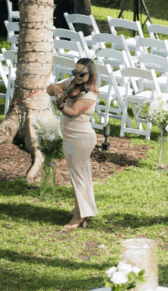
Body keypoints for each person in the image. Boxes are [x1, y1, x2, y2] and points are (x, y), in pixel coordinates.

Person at [46, 58, 99, 229]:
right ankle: (82, 209)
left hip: (81, 138)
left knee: (79, 177)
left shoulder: (89, 95)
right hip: (70, 136)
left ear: (90, 76)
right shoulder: (71, 83)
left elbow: (72, 112)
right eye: (74, 72)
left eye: (81, 74)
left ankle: (79, 216)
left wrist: (60, 105)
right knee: (77, 176)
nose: (76, 77)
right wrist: (57, 90)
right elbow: (49, 89)